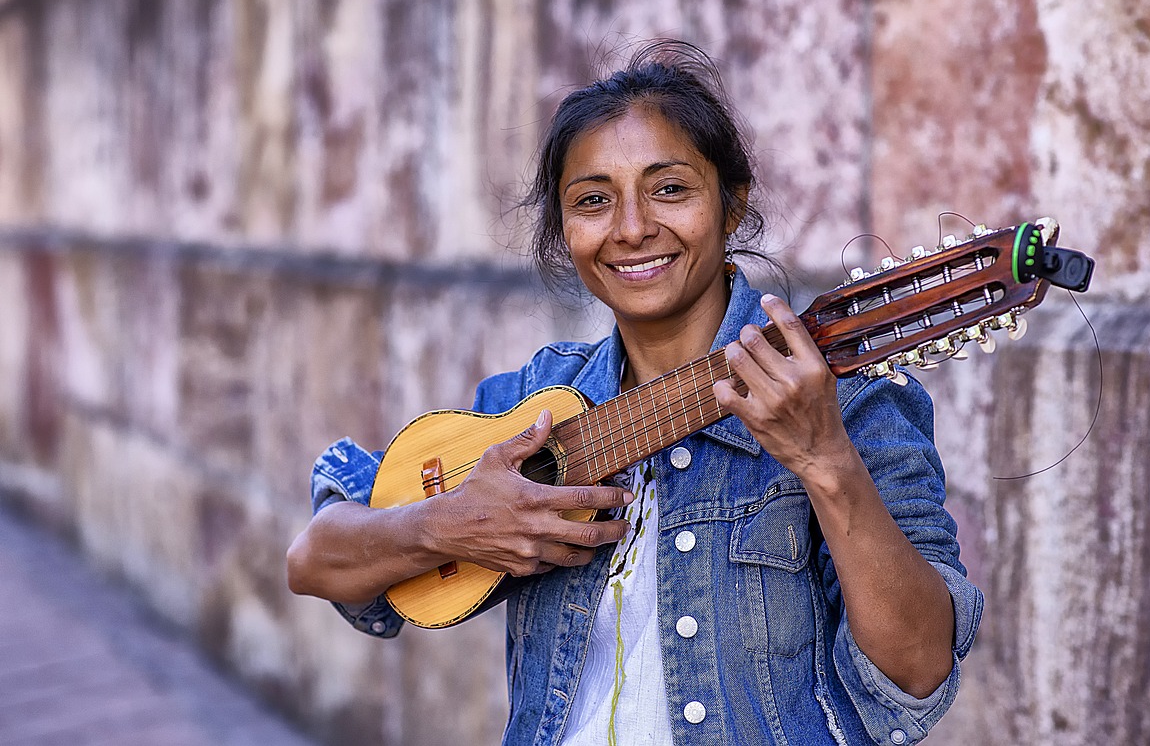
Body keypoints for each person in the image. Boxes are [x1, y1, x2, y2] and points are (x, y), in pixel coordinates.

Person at [286, 41, 981, 746]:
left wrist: (826, 462)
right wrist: (445, 524)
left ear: (732, 203)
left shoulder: (846, 403)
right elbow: (314, 559)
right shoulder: (531, 404)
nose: (631, 228)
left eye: (670, 188)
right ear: (564, 232)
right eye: (593, 200)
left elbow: (917, 671)